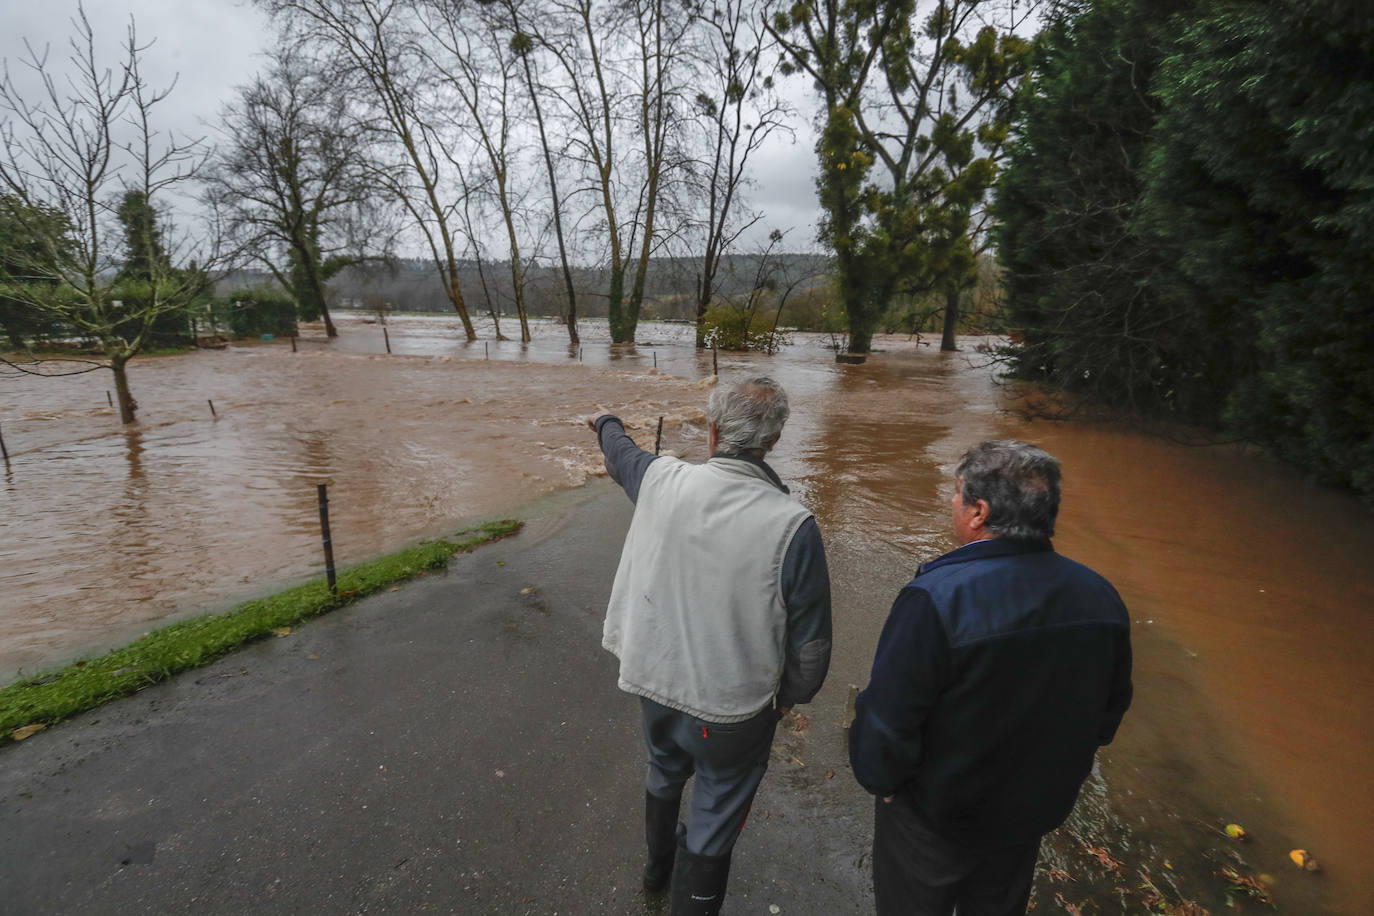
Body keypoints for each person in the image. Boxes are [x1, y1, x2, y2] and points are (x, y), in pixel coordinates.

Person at [849, 440, 1132, 916]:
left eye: (957, 494)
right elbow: (1108, 712)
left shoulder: (937, 598)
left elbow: (889, 719)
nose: (952, 503)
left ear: (978, 512)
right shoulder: (1100, 597)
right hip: (1028, 815)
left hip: (935, 817)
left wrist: (885, 782)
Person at [586, 376, 831, 916]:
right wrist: (789, 698)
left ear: (713, 429)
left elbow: (620, 455)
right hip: (732, 709)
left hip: (653, 681)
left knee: (664, 769)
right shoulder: (793, 525)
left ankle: (656, 870)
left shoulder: (661, 479)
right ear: (776, 437)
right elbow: (810, 649)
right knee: (717, 811)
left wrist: (606, 422)